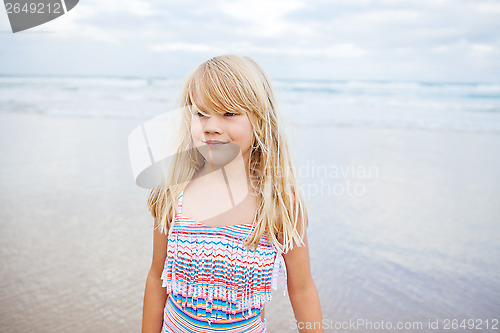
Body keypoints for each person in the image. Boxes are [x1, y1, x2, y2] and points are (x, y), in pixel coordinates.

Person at [142, 55, 323, 332]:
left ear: (260, 121)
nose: (211, 126)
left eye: (228, 113)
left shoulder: (277, 202)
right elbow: (157, 277)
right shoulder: (173, 191)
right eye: (201, 113)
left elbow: (302, 288)